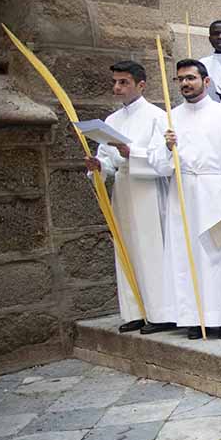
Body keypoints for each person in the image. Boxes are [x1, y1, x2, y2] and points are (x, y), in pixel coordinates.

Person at [151, 60, 221, 339]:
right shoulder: (169, 119)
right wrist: (167, 148)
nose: (185, 83)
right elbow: (159, 166)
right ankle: (194, 319)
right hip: (183, 195)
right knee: (187, 256)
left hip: (216, 194)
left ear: (206, 82)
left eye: (191, 78)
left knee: (219, 255)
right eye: (181, 79)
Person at [85, 60, 173, 334]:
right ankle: (135, 311)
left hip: (147, 189)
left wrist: (131, 152)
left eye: (123, 82)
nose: (117, 87)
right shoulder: (111, 121)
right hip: (123, 189)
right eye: (115, 82)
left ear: (141, 85)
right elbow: (107, 160)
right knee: (126, 249)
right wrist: (99, 166)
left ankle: (161, 313)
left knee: (150, 249)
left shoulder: (157, 116)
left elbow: (164, 160)